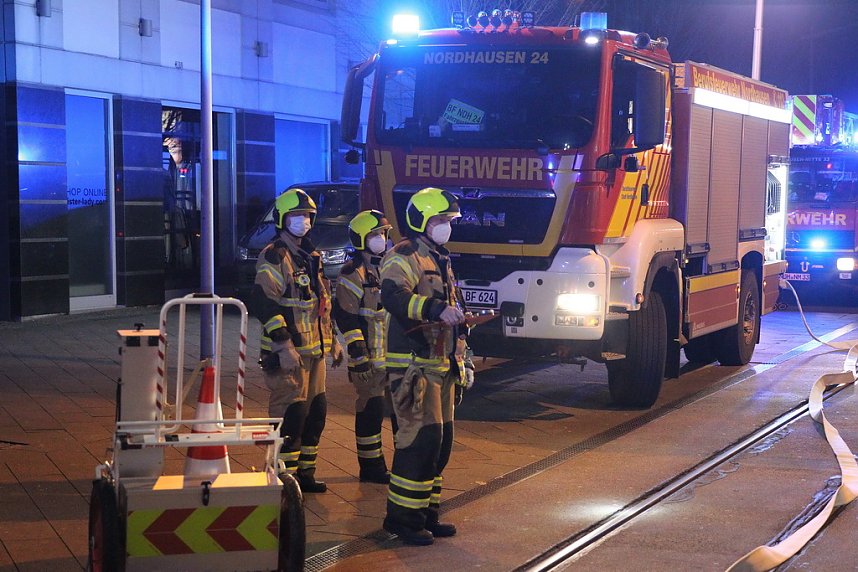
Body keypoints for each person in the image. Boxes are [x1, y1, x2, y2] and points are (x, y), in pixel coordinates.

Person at [379, 187, 469, 546]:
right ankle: (402, 520)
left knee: (440, 444)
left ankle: (427, 515)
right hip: (413, 368)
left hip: (441, 364)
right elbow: (393, 296)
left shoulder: (439, 257)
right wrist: (433, 310)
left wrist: (464, 354)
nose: (447, 227)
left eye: (449, 221)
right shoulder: (405, 254)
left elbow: (451, 309)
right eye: (441, 221)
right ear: (421, 221)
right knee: (419, 441)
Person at [251, 188, 343, 493]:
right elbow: (265, 303)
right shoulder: (275, 256)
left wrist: (335, 341)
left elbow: (321, 303)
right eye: (295, 216)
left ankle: (304, 474)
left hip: (315, 352)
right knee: (291, 417)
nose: (302, 221)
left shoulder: (311, 255)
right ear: (282, 220)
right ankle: (281, 480)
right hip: (290, 355)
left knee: (315, 414)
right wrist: (283, 344)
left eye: (306, 216)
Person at [333, 210, 396, 484]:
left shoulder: (390, 266)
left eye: (383, 233)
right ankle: (371, 468)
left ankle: (403, 464)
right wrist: (358, 357)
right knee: (370, 412)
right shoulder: (352, 273)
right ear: (360, 239)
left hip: (395, 358)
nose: (380, 239)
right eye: (374, 235)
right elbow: (346, 317)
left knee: (399, 414)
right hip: (369, 360)